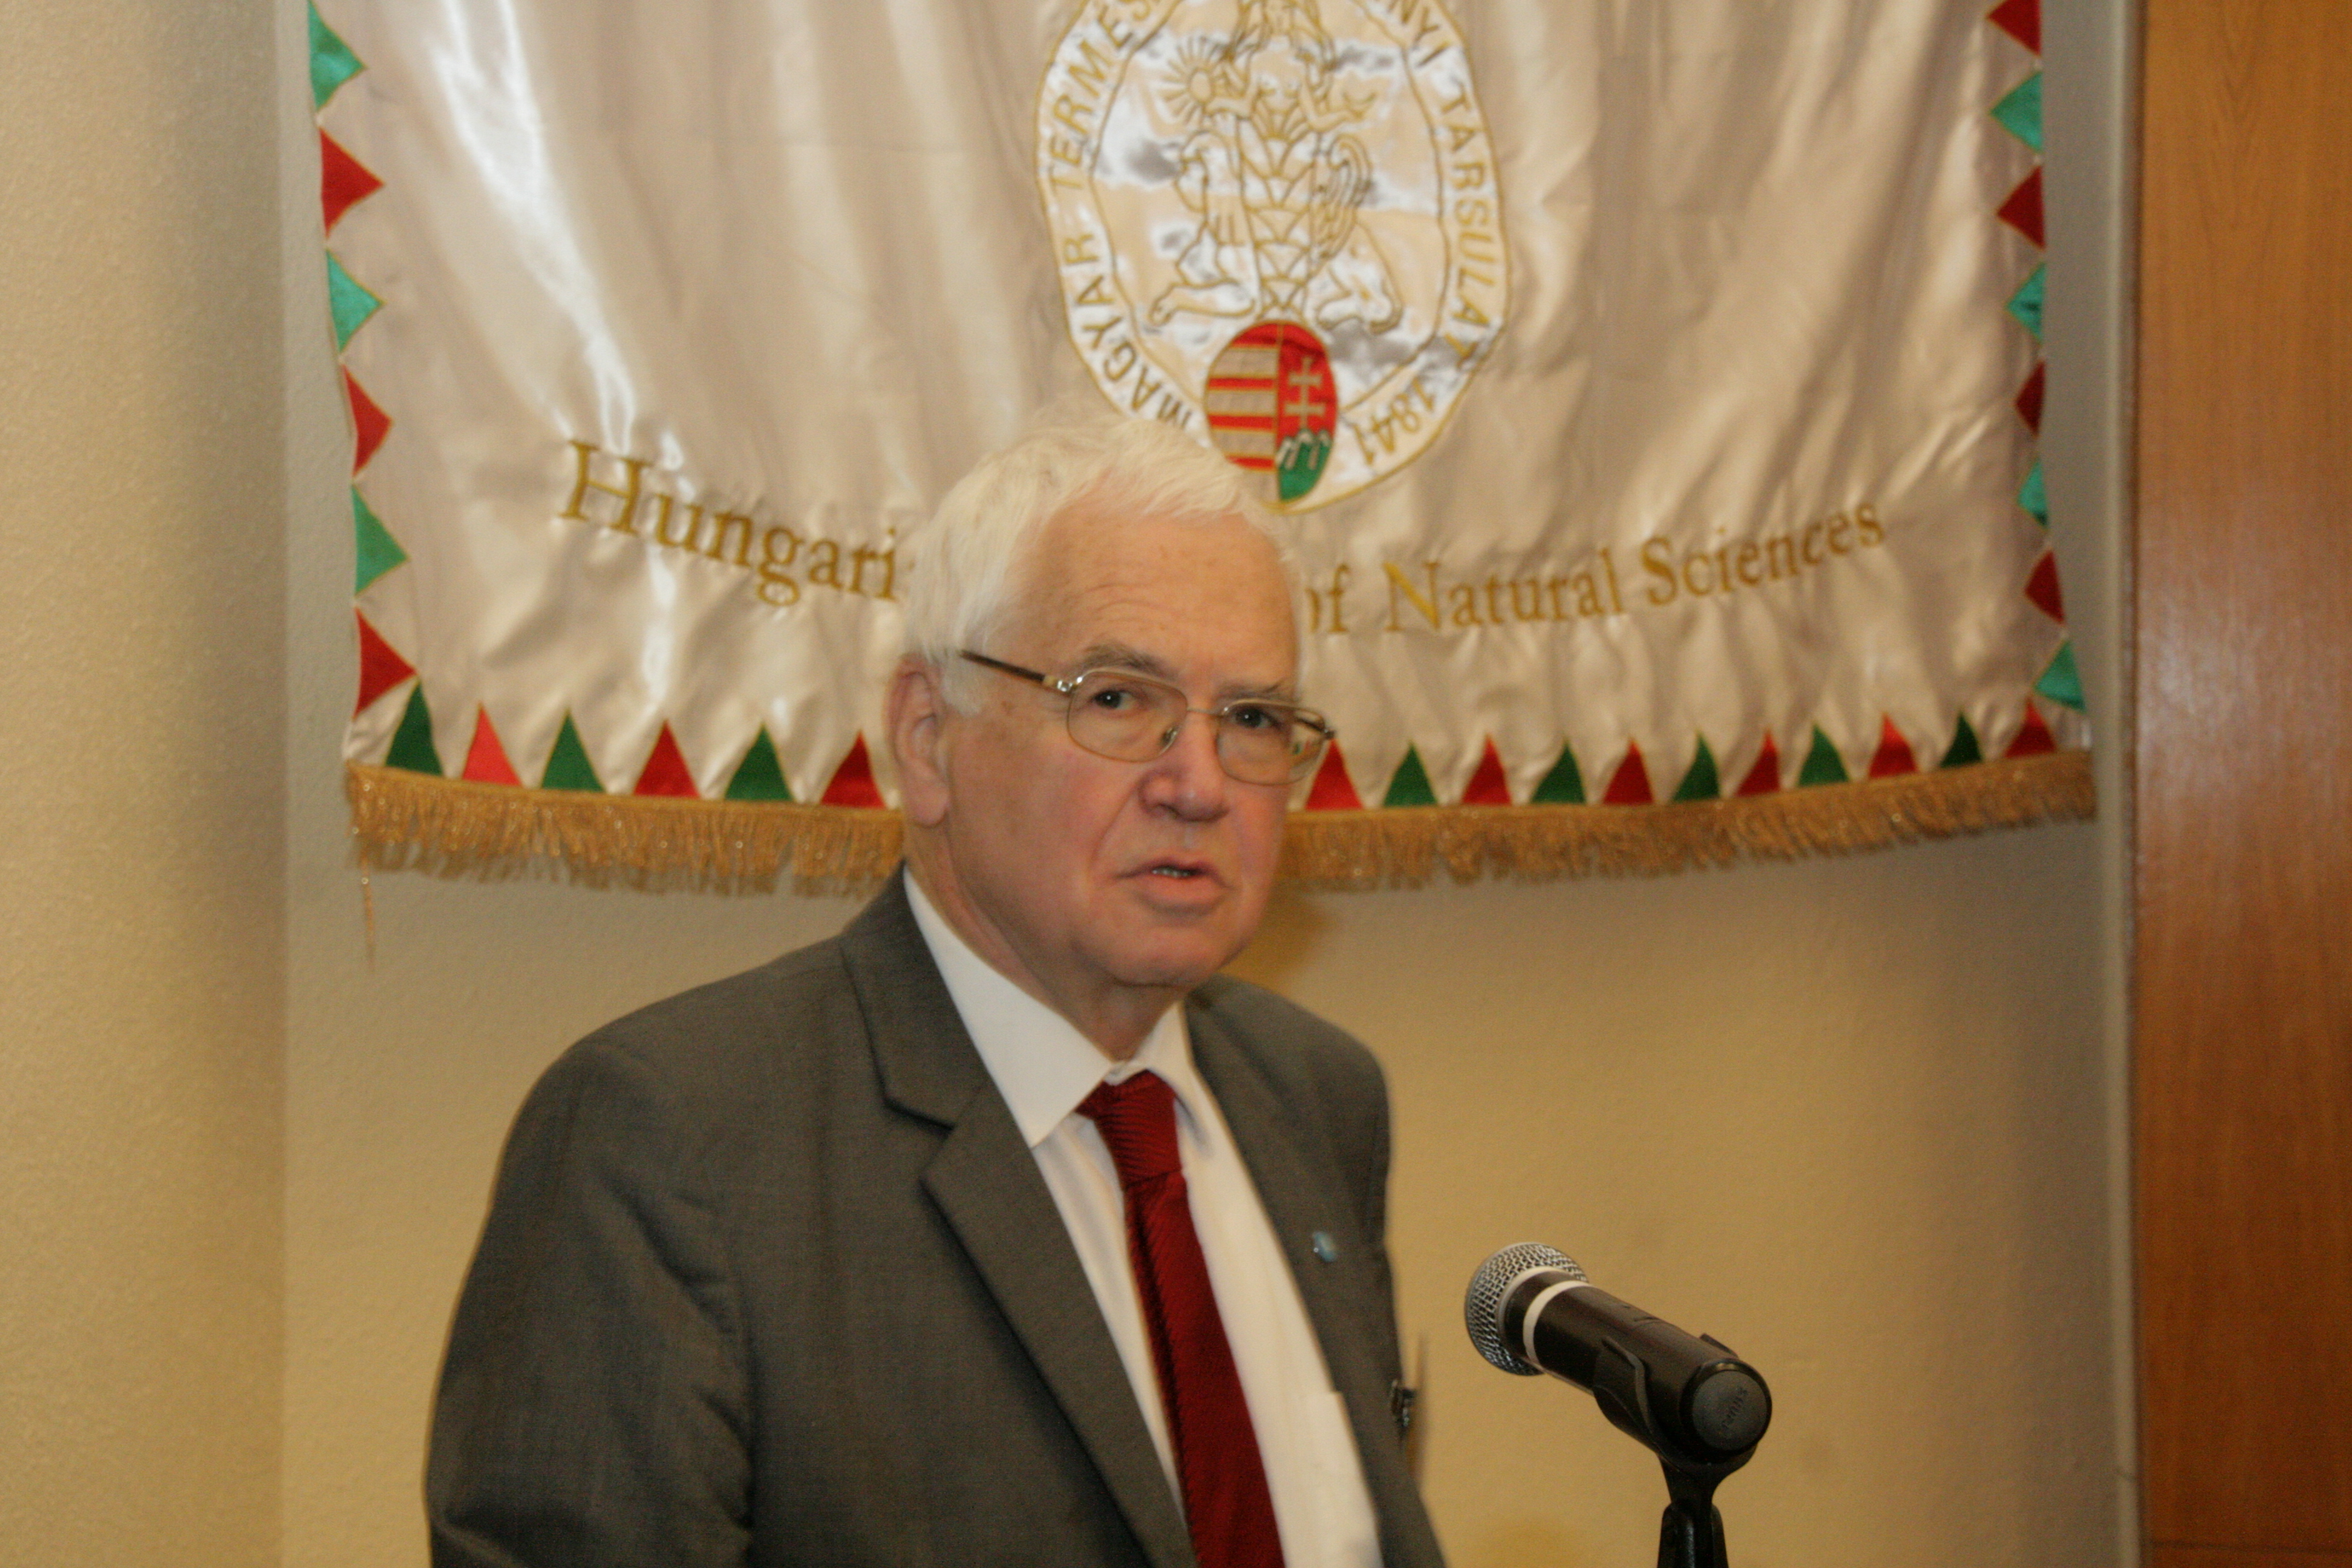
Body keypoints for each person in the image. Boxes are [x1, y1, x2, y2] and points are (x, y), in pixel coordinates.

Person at [426, 417, 1446, 1568]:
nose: (1199, 784)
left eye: (1253, 719)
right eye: (1118, 699)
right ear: (926, 737)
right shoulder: (672, 1146)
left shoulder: (1317, 1095)